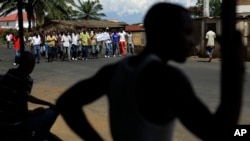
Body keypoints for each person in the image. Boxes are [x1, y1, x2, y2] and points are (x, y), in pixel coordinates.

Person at [56, 2, 242, 141]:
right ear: (166, 33)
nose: (192, 41)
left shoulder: (115, 70)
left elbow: (67, 102)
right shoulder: (167, 78)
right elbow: (220, 133)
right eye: (186, 32)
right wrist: (235, 68)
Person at [0, 51, 60, 141]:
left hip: (2, 118)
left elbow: (25, 96)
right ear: (31, 65)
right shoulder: (26, 80)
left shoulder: (10, 73)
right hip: (14, 124)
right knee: (52, 113)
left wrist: (47, 103)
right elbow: (19, 110)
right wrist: (34, 112)